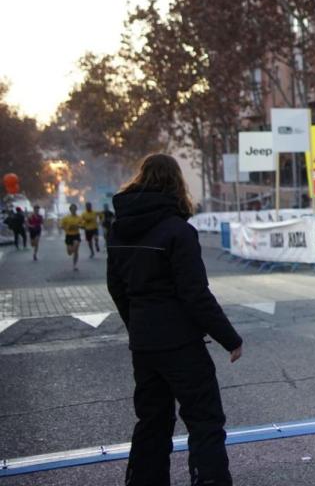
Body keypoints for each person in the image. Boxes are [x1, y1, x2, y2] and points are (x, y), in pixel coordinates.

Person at [106, 154, 242, 486]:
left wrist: (136, 323)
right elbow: (195, 294)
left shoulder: (119, 228)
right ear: (176, 184)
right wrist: (230, 338)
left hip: (144, 344)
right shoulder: (178, 231)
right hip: (181, 344)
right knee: (204, 420)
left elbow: (116, 287)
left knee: (152, 422)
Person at [60, 204, 84, 271]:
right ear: (70, 210)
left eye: (75, 209)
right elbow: (61, 226)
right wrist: (67, 227)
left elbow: (83, 225)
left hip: (76, 235)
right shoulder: (66, 218)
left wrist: (78, 226)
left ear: (76, 209)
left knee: (76, 249)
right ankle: (72, 250)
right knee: (70, 252)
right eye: (72, 209)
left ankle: (75, 265)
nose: (73, 210)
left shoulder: (79, 217)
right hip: (69, 236)